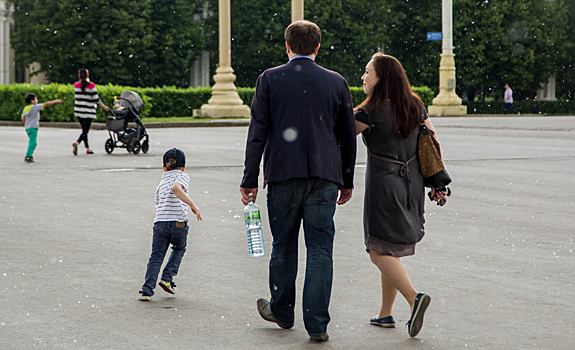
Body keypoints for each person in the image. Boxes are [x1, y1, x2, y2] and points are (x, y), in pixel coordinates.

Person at [240, 20, 356, 342]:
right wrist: (346, 180)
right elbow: (348, 137)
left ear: (287, 46)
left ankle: (282, 310)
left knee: (284, 247)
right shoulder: (336, 82)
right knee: (320, 250)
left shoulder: (269, 79)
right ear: (317, 47)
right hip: (324, 177)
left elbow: (257, 134)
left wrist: (249, 179)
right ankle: (317, 325)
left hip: (283, 175)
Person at [354, 53, 445, 338]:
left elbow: (339, 137)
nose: (363, 77)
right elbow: (432, 139)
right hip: (413, 184)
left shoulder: (369, 112)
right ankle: (385, 314)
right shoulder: (415, 106)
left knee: (376, 249)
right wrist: (435, 181)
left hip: (384, 185)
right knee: (390, 246)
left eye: (368, 72)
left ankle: (414, 298)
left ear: (382, 78)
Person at [139, 148, 202, 301]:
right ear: (184, 167)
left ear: (164, 167)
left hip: (160, 223)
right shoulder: (182, 176)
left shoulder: (161, 183)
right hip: (178, 223)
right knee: (179, 248)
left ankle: (147, 290)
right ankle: (167, 278)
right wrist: (193, 205)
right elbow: (176, 188)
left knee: (156, 256)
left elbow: (158, 202)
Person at [72, 68, 109, 155]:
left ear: (79, 75)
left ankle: (88, 148)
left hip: (78, 110)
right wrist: (104, 107)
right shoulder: (91, 85)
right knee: (85, 131)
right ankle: (77, 142)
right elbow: (96, 99)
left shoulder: (76, 85)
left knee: (84, 130)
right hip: (88, 111)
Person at [21, 93, 63, 163]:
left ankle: (29, 155)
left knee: (32, 141)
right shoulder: (35, 107)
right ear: (32, 101)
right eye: (36, 99)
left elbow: (23, 118)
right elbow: (46, 104)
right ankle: (28, 156)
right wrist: (56, 101)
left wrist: (27, 122)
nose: (37, 100)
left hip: (27, 128)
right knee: (33, 143)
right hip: (33, 127)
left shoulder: (26, 108)